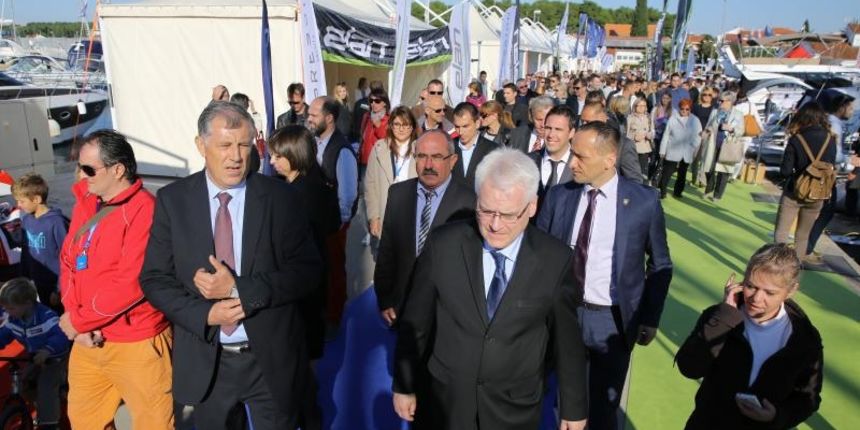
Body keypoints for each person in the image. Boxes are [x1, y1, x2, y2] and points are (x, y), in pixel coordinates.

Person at [140, 101, 322, 429]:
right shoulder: (173, 200)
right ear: (201, 145)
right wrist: (206, 314)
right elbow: (154, 279)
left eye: (244, 145)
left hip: (269, 361)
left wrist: (239, 289)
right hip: (207, 364)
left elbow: (308, 272)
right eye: (225, 145)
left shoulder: (281, 198)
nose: (236, 156)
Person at [393, 148, 588, 430]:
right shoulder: (443, 245)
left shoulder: (555, 260)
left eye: (508, 215)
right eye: (486, 211)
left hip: (514, 409)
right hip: (445, 403)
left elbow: (567, 341)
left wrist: (573, 407)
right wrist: (404, 383)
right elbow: (416, 321)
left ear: (532, 207)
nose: (495, 225)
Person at [537, 122, 673, 430]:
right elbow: (537, 255)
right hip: (562, 315)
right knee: (552, 399)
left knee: (602, 410)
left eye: (581, 157)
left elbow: (661, 264)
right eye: (573, 154)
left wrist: (650, 317)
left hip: (611, 322)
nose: (572, 163)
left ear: (609, 160)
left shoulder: (644, 202)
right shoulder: (559, 197)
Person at [59, 129, 173, 429]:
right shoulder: (86, 202)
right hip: (87, 340)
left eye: (89, 169)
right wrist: (74, 316)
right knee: (84, 421)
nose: (82, 176)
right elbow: (69, 260)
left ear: (118, 169)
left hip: (136, 341)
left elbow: (130, 283)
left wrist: (79, 322)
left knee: (154, 424)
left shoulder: (145, 210)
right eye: (79, 167)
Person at [676, 244, 823, 429]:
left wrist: (776, 416)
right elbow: (689, 368)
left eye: (770, 292)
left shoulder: (804, 339)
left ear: (791, 291)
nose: (756, 298)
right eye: (750, 286)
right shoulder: (721, 316)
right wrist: (724, 317)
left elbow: (807, 397)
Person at [373, 129, 476, 326]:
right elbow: (387, 250)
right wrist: (384, 298)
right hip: (401, 307)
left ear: (453, 161)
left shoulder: (469, 201)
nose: (428, 165)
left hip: (446, 313)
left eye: (437, 157)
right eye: (422, 156)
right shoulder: (398, 194)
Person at [267, 125, 339, 361]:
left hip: (300, 279)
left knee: (302, 346)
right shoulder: (313, 182)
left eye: (278, 156)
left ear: (294, 153)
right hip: (311, 274)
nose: (271, 161)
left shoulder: (298, 193)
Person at [307, 96, 359, 325]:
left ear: (329, 118)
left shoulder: (343, 150)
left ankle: (335, 317)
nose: (308, 119)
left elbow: (347, 193)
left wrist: (340, 223)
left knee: (335, 271)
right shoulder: (312, 142)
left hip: (333, 223)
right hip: (315, 221)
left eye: (313, 115)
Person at [0, 277, 70, 430]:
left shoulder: (46, 317)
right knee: (24, 383)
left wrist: (47, 350)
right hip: (35, 358)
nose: (7, 312)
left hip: (55, 358)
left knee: (46, 388)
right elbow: (4, 335)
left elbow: (61, 336)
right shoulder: (14, 319)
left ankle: (49, 424)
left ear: (27, 304)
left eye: (11, 308)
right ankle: (45, 407)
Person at [773, 102, 836, 260]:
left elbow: (785, 171)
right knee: (803, 235)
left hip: (795, 190)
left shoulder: (797, 139)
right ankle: (796, 268)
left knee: (782, 232)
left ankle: (779, 265)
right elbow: (831, 165)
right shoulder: (830, 139)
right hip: (817, 192)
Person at [806, 90, 856, 261]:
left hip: (816, 171)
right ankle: (807, 247)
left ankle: (805, 245)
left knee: (816, 209)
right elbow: (834, 154)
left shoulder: (824, 119)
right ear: (841, 107)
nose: (853, 111)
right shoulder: (834, 125)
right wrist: (850, 160)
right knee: (825, 211)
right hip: (825, 173)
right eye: (850, 107)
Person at [11, 173, 67, 313]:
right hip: (37, 284)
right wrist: (24, 280)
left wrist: (59, 289)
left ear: (36, 199)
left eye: (21, 201)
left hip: (56, 286)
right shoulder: (26, 221)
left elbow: (68, 257)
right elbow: (25, 252)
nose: (18, 205)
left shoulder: (57, 222)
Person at [364, 106, 419, 243]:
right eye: (397, 124)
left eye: (406, 124)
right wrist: (374, 217)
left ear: (412, 127)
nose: (401, 129)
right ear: (391, 126)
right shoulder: (379, 148)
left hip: (411, 212)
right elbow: (370, 185)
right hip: (386, 210)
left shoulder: (420, 149)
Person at [579, 102, 646, 184]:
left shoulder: (623, 145)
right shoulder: (578, 142)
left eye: (588, 122)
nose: (583, 126)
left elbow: (635, 182)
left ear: (603, 119)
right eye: (582, 121)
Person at [701, 91, 745, 202]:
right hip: (713, 143)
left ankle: (717, 195)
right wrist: (707, 131)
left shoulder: (738, 114)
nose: (719, 102)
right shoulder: (715, 111)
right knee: (709, 167)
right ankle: (709, 188)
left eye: (722, 100)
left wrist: (732, 129)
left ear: (730, 101)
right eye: (719, 100)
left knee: (724, 170)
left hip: (727, 145)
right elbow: (709, 125)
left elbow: (741, 131)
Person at [530, 105, 575, 207]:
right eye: (548, 128)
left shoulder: (581, 165)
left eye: (558, 129)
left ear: (571, 133)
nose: (551, 135)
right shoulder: (527, 161)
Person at [658, 98, 703, 199]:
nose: (684, 111)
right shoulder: (673, 118)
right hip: (673, 149)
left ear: (690, 109)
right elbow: (666, 135)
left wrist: (693, 145)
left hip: (687, 151)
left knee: (682, 173)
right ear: (679, 108)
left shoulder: (695, 120)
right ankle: (662, 191)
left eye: (687, 109)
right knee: (667, 172)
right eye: (682, 109)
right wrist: (662, 150)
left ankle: (678, 192)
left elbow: (699, 136)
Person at [452, 102, 500, 189]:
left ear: (477, 123)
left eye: (465, 126)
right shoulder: (448, 148)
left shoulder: (493, 150)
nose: (460, 132)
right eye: (457, 127)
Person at [359, 89, 390, 177]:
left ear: (384, 103)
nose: (373, 103)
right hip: (364, 159)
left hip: (378, 161)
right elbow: (362, 135)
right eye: (371, 101)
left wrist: (377, 123)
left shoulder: (388, 118)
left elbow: (384, 137)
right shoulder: (367, 116)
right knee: (364, 189)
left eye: (377, 101)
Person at [691, 86, 717, 186]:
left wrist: (708, 131)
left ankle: (702, 179)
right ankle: (694, 178)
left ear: (712, 97)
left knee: (704, 159)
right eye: (705, 94)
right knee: (695, 159)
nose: (707, 97)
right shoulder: (696, 106)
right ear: (701, 95)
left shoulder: (714, 109)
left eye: (709, 95)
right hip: (696, 135)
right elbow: (691, 120)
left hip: (708, 136)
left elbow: (715, 123)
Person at [627, 97, 654, 177]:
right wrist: (634, 137)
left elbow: (653, 131)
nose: (642, 108)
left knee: (642, 172)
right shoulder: (630, 118)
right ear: (635, 106)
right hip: (633, 148)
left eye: (644, 106)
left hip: (645, 149)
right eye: (640, 105)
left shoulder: (648, 117)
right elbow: (626, 134)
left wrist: (650, 135)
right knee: (632, 171)